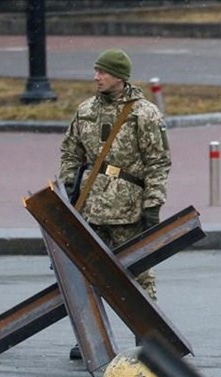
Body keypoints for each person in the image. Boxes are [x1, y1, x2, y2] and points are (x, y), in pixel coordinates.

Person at [59, 48, 171, 357]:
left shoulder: (144, 114)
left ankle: (148, 338)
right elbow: (70, 152)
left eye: (103, 72)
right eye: (96, 71)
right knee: (85, 275)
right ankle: (90, 338)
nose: (96, 77)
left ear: (120, 77)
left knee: (139, 274)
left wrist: (153, 204)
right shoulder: (85, 110)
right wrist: (69, 188)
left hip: (127, 209)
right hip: (89, 208)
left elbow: (158, 162)